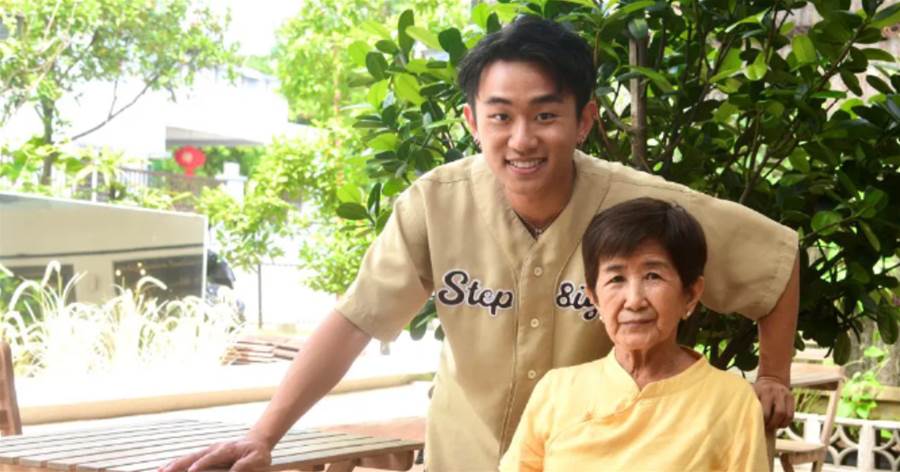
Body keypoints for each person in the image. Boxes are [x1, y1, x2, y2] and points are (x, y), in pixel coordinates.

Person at [162, 16, 799, 472]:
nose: (522, 138)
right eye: (500, 116)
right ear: (472, 121)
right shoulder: (436, 204)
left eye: (545, 115)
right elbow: (356, 321)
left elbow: (774, 258)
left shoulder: (642, 206)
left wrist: (773, 374)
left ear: (584, 119)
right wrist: (265, 434)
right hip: (463, 456)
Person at [500, 198, 768, 471]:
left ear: (690, 294)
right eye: (616, 279)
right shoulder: (557, 391)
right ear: (594, 298)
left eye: (653, 276)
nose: (634, 300)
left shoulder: (731, 401)